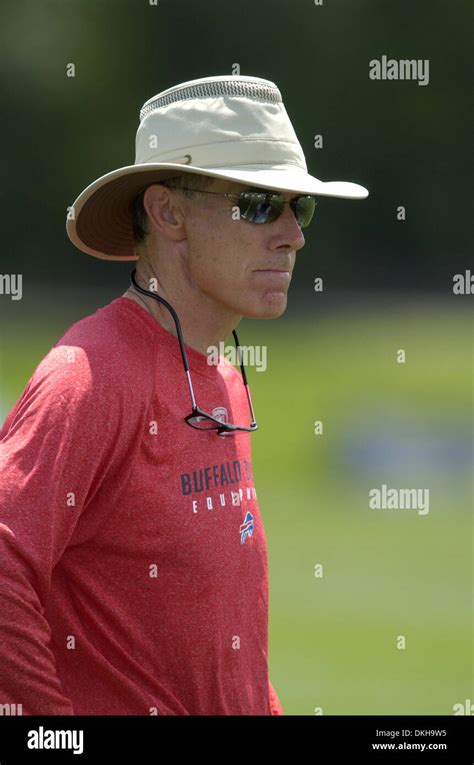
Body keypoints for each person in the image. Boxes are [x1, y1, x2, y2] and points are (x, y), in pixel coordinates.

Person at [0, 75, 368, 715]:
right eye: (258, 204)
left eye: (297, 207)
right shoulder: (87, 376)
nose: (292, 235)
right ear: (167, 213)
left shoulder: (223, 372)